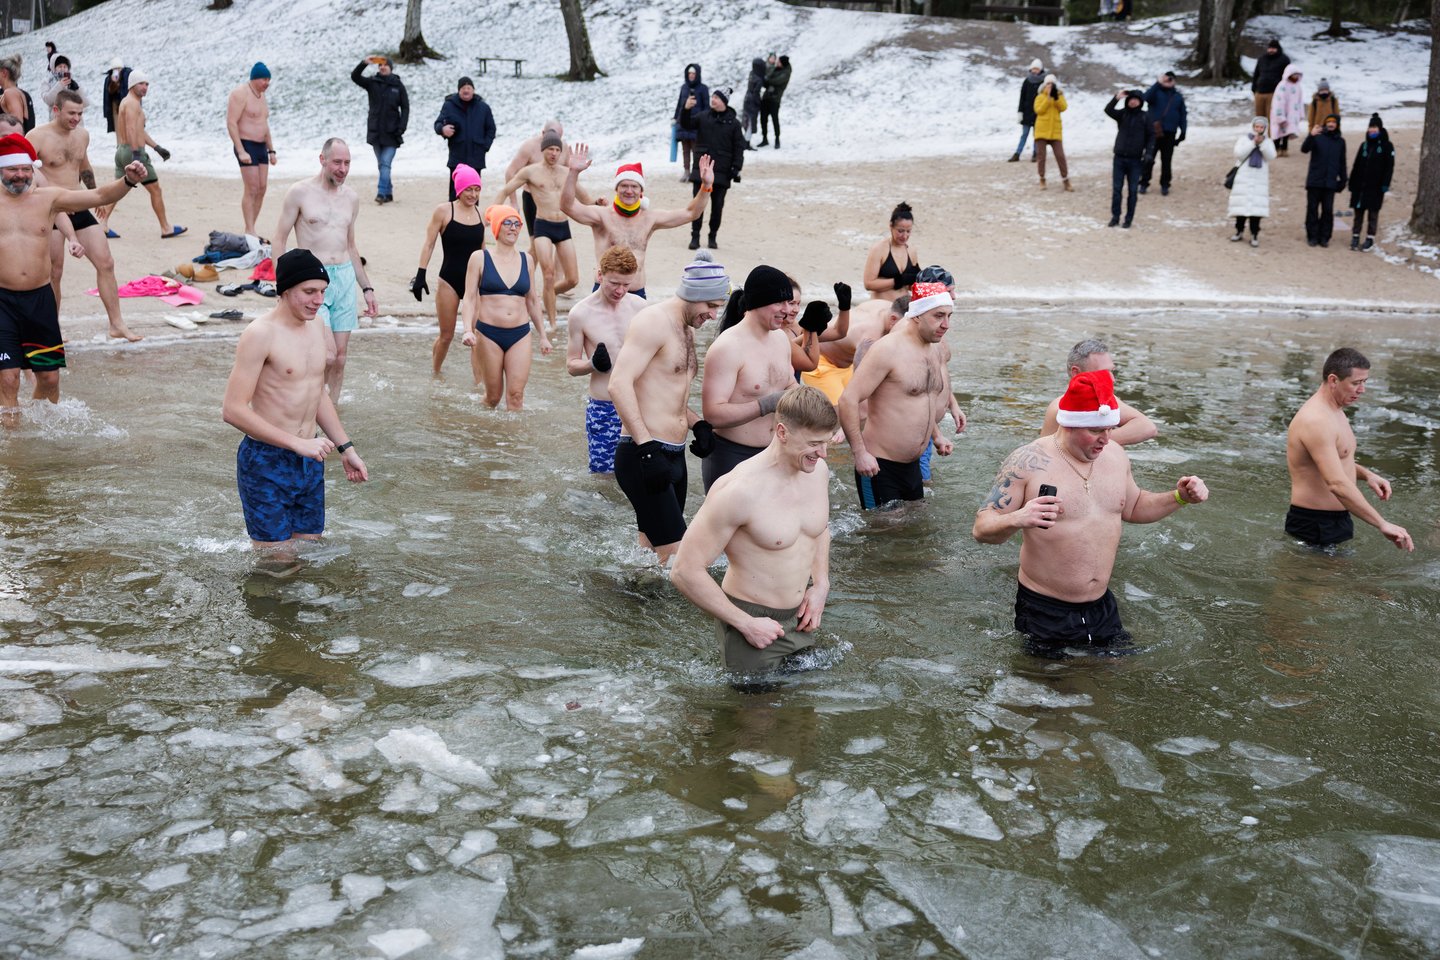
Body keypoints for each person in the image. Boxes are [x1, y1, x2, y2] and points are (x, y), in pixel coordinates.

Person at [972, 369, 1210, 656]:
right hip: (1045, 609)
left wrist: (1179, 497)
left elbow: (1133, 507)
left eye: (1109, 429)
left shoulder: (1115, 456)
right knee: (1047, 692)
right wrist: (1018, 517)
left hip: (1101, 607)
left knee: (1112, 686)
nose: (1105, 439)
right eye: (1096, 430)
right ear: (1070, 425)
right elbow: (982, 528)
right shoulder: (1028, 462)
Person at [670, 386, 837, 677]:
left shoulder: (817, 472)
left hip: (800, 620)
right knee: (753, 720)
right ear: (782, 432)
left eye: (826, 443)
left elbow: (818, 528)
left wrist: (821, 584)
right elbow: (684, 570)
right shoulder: (739, 491)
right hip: (751, 623)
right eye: (814, 444)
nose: (822, 453)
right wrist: (745, 623)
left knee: (802, 719)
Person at [221, 248, 368, 554]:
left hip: (310, 459)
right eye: (309, 292)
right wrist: (296, 442)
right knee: (276, 563)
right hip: (266, 461)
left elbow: (317, 393)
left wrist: (345, 447)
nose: (318, 300)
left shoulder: (316, 325)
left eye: (323, 292)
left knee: (308, 553)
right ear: (285, 290)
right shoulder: (260, 334)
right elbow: (233, 410)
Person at [0, 132, 149, 420]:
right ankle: (13, 445)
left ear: (32, 168)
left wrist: (128, 181)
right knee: (8, 379)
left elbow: (98, 196)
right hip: (2, 302)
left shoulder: (49, 199)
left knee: (50, 380)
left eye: (24, 169)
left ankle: (43, 438)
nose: (19, 176)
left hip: (40, 301)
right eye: (12, 169)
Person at [607, 257, 732, 561]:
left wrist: (697, 424)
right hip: (644, 455)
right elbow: (618, 384)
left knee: (652, 556)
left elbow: (665, 393)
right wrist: (647, 448)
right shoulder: (653, 321)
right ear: (695, 295)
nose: (714, 315)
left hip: (673, 456)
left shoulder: (686, 328)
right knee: (679, 558)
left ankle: (629, 602)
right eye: (712, 306)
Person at [26, 90, 143, 342]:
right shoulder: (36, 136)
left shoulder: (82, 135)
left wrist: (93, 193)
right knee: (54, 272)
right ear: (56, 110)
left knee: (106, 262)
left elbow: (83, 165)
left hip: (79, 204)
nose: (76, 119)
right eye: (71, 113)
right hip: (52, 209)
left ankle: (116, 324)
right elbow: (26, 174)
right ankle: (52, 329)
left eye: (80, 113)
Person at [273, 138, 379, 402]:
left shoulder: (351, 198)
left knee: (340, 358)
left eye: (347, 163)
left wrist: (366, 288)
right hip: (312, 281)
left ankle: (332, 412)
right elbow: (279, 239)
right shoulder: (300, 192)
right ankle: (309, 403)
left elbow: (351, 246)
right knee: (327, 354)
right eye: (337, 162)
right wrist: (283, 285)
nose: (342, 169)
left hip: (343, 278)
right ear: (322, 160)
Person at [838, 282, 956, 509]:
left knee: (912, 534)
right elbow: (848, 400)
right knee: (884, 535)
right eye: (939, 316)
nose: (946, 324)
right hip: (879, 465)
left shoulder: (934, 348)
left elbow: (922, 400)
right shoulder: (888, 350)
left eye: (950, 316)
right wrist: (859, 453)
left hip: (911, 466)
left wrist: (937, 435)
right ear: (917, 315)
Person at [1285, 347, 1411, 551]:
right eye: (1356, 383)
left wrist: (1366, 474)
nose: (1362, 390)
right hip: (1314, 524)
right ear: (1334, 380)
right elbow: (1336, 483)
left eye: (1364, 382)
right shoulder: (1316, 420)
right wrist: (1382, 523)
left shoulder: (1335, 410)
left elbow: (1333, 461)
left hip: (1336, 520)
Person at [700, 264, 803, 491]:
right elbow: (713, 415)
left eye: (790, 302)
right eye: (780, 302)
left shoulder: (780, 339)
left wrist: (810, 402)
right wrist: (766, 404)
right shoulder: (728, 347)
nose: (788, 310)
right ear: (758, 302)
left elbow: (789, 384)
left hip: (775, 452)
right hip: (732, 455)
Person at [562, 145, 713, 297]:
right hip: (604, 292)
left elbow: (691, 213)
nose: (629, 191)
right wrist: (573, 172)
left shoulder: (650, 218)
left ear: (641, 191)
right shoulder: (602, 216)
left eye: (634, 186)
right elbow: (567, 206)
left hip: (637, 293)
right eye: (624, 186)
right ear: (616, 189)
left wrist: (706, 186)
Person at [497, 131, 597, 332]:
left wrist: (599, 203)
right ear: (543, 150)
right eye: (550, 149)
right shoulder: (531, 172)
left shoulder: (566, 172)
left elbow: (585, 198)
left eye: (557, 150)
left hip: (563, 226)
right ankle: (551, 326)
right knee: (549, 274)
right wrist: (493, 212)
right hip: (542, 226)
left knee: (572, 279)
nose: (554, 153)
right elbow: (505, 190)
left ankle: (545, 295)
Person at [457, 204, 550, 409]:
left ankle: (512, 440)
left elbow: (533, 300)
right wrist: (467, 330)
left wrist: (543, 336)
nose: (513, 228)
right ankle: (484, 435)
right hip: (489, 334)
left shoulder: (527, 259)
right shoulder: (480, 258)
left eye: (517, 224)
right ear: (497, 227)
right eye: (507, 223)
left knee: (516, 396)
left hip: (520, 334)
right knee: (493, 397)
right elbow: (470, 297)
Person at [565, 245, 647, 474]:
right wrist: (592, 365)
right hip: (604, 407)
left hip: (640, 402)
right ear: (600, 275)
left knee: (644, 471)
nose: (620, 291)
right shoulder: (580, 314)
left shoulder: (640, 307)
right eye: (614, 282)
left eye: (626, 284)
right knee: (604, 477)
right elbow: (571, 365)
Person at [411, 164, 486, 376]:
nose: (473, 194)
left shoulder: (481, 213)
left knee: (476, 337)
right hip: (449, 281)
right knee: (446, 335)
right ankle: (435, 373)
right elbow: (429, 244)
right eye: (468, 189)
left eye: (477, 189)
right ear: (459, 190)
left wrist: (489, 278)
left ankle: (478, 386)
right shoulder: (444, 211)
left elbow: (482, 250)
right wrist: (420, 274)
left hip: (475, 284)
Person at [1039, 339, 1157, 444]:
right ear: (1076, 373)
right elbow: (1043, 453)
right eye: (1103, 373)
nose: (1112, 379)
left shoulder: (1105, 400)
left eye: (1112, 371)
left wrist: (1099, 441)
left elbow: (1147, 427)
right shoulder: (1058, 407)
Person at [114, 71, 184, 239]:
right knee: (155, 190)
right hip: (134, 152)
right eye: (141, 84)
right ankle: (166, 228)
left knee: (116, 190)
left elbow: (139, 130)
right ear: (132, 85)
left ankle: (102, 225)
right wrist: (137, 155)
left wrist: (156, 147)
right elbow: (131, 129)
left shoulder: (129, 102)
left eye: (147, 84)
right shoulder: (132, 103)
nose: (145, 87)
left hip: (122, 151)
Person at [679, 86, 745, 251]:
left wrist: (736, 168)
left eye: (716, 97)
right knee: (697, 204)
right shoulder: (703, 117)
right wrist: (686, 109)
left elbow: (739, 147)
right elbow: (686, 124)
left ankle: (712, 236)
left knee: (717, 207)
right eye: (713, 97)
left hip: (722, 172)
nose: (712, 100)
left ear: (723, 101)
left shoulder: (734, 124)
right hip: (701, 170)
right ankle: (695, 236)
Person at [350, 55, 408, 205]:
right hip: (376, 132)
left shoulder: (398, 85)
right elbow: (355, 77)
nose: (382, 67)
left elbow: (406, 107)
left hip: (392, 132)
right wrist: (364, 63)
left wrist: (401, 127)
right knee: (382, 164)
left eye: (385, 65)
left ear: (391, 68)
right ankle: (388, 193)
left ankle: (381, 193)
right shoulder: (372, 83)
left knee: (385, 163)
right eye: (380, 65)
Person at [226, 63, 274, 237]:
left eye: (269, 79)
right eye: (264, 79)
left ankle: (252, 228)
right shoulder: (240, 93)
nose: (267, 83)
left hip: (261, 147)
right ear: (254, 78)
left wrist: (272, 150)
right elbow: (231, 122)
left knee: (262, 188)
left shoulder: (262, 96)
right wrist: (240, 150)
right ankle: (250, 230)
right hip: (246, 145)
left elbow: (264, 125)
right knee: (252, 188)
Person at [435, 77, 496, 201]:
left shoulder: (483, 107)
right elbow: (438, 123)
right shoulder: (449, 105)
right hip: (457, 156)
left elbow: (491, 129)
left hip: (476, 156)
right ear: (459, 90)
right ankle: (452, 217)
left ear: (473, 90)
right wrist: (443, 129)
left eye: (469, 88)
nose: (466, 91)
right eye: (463, 88)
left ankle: (473, 218)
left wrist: (485, 146)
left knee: (473, 191)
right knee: (455, 192)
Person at [502, 120, 562, 234]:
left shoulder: (562, 148)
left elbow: (568, 177)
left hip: (554, 201)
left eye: (558, 137)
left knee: (558, 241)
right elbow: (510, 172)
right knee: (536, 244)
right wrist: (513, 202)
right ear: (543, 133)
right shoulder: (529, 147)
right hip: (532, 199)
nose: (555, 141)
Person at [1104, 89, 1152, 229]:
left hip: (1135, 160)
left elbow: (1151, 137)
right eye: (1131, 99)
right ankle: (1115, 217)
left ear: (1140, 102)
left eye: (1136, 99)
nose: (1133, 101)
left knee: (1132, 190)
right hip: (1119, 158)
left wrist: (1148, 153)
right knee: (1117, 189)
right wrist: (1116, 97)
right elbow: (1108, 110)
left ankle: (1128, 219)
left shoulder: (1145, 117)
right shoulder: (1122, 114)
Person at [1348, 113, 1394, 252]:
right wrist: (1352, 182)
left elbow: (1389, 167)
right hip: (1360, 186)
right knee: (1358, 213)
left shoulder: (1387, 146)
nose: (1372, 130)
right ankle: (1355, 236)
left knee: (1373, 214)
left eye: (1374, 128)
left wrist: (1385, 184)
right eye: (1370, 128)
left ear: (1379, 129)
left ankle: (1370, 239)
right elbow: (1356, 165)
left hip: (1376, 187)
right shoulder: (1364, 145)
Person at [1227, 117, 1276, 248]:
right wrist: (1253, 143)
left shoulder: (1268, 142)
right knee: (1241, 208)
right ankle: (1239, 231)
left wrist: (1262, 144)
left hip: (1259, 179)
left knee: (1256, 209)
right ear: (1253, 127)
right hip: (1243, 177)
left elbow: (1271, 156)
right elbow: (1239, 154)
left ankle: (1254, 234)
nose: (1259, 130)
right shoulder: (1244, 139)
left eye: (1261, 127)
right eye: (1257, 127)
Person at [1301, 115, 1347, 248]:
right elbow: (1304, 149)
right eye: (1329, 122)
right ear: (1325, 124)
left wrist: (1343, 180)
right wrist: (1311, 135)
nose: (1331, 124)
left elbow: (1342, 162)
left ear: (1337, 125)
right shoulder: (1317, 136)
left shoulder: (1341, 142)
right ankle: (1312, 236)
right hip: (1315, 181)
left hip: (1330, 183)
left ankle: (1324, 237)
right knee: (1312, 210)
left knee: (1327, 211)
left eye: (1333, 122)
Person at [862, 202, 920, 302]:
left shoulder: (911, 250)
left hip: (905, 308)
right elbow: (868, 284)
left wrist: (920, 279)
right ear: (891, 226)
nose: (904, 236)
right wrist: (898, 280)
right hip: (881, 308)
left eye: (908, 231)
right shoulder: (879, 249)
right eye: (900, 231)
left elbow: (911, 286)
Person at [1140, 71, 1186, 196]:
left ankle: (1165, 184)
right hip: (1153, 132)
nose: (1168, 81)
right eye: (1166, 79)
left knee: (1167, 161)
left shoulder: (1177, 97)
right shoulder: (1155, 93)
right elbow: (1145, 98)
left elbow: (1182, 115)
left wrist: (1183, 131)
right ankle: (1143, 182)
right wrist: (1158, 83)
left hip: (1170, 133)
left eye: (1171, 79)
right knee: (1148, 158)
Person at [1033, 74, 1071, 191]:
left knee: (1060, 156)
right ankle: (1042, 179)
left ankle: (1066, 180)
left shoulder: (1059, 96)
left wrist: (1055, 97)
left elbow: (1063, 107)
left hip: (1055, 131)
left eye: (1052, 84)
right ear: (1044, 85)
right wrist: (1048, 98)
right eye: (1048, 84)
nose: (1050, 86)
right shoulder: (1040, 97)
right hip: (1041, 131)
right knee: (1041, 156)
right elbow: (1038, 110)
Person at [673, 63, 707, 178]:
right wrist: (675, 117)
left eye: (693, 73)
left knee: (695, 150)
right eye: (690, 73)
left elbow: (706, 106)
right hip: (683, 122)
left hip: (696, 124)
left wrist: (704, 120)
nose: (691, 75)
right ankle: (686, 171)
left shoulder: (703, 89)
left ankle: (695, 172)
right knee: (685, 150)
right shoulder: (684, 87)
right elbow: (679, 104)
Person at [1010, 59, 1045, 163]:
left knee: (1036, 136)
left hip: (1038, 113)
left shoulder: (1043, 82)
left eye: (1037, 69)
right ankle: (1017, 153)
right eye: (1034, 68)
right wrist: (1020, 112)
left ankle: (1035, 154)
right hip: (1026, 113)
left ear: (1040, 70)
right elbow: (1022, 98)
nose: (1035, 70)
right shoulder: (1027, 81)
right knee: (1024, 135)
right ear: (1031, 69)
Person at [1251, 37, 1290, 126]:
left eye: (1273, 48)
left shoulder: (1284, 59)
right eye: (1270, 48)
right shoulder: (1262, 59)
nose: (1271, 50)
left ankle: (1271, 136)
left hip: (1274, 93)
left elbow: (1287, 77)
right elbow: (1256, 74)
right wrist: (1254, 88)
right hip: (1260, 92)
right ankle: (1260, 136)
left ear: (1277, 48)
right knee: (1259, 118)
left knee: (1271, 116)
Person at [1270, 65, 1306, 157]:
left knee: (1287, 132)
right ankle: (1276, 149)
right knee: (1278, 131)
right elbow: (1278, 101)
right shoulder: (1282, 85)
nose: (1296, 76)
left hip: (1292, 114)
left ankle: (1284, 149)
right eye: (1294, 74)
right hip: (1281, 113)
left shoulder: (1298, 86)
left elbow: (1300, 101)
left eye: (1297, 75)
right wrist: (1280, 116)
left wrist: (1301, 114)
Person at [758, 54, 790, 149]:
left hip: (775, 100)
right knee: (763, 119)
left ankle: (777, 139)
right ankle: (764, 138)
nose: (777, 63)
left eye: (779, 62)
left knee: (775, 120)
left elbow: (775, 81)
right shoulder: (775, 69)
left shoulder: (786, 73)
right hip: (766, 97)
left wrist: (767, 80)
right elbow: (766, 79)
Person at [742, 57, 765, 147]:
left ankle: (746, 142)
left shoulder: (752, 74)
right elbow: (756, 93)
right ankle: (746, 143)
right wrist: (758, 103)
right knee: (750, 124)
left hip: (747, 100)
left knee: (747, 122)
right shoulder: (759, 80)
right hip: (752, 103)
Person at [0, 56, 27, 132]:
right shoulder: (20, 93)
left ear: (4, 73)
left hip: (15, 142)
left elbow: (16, 125)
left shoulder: (10, 93)